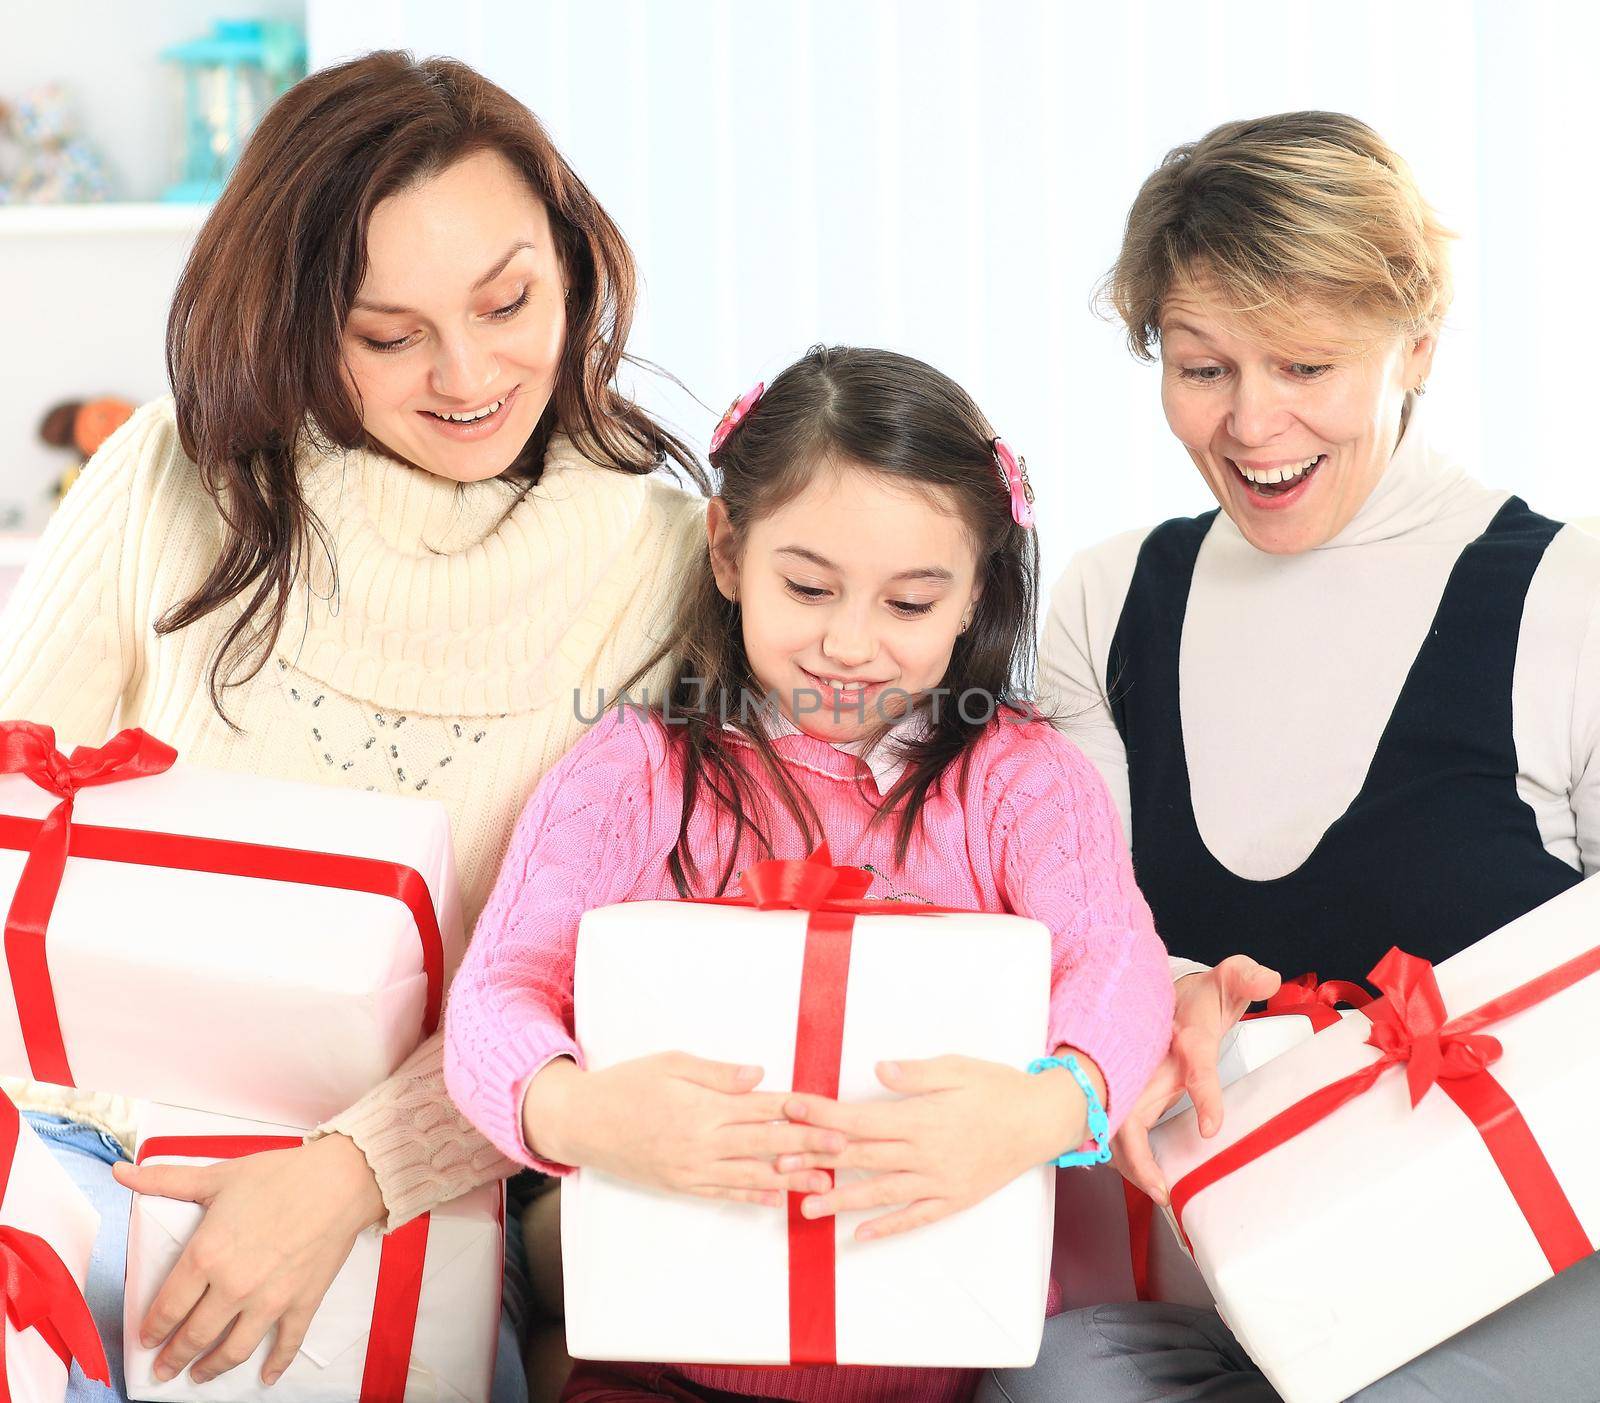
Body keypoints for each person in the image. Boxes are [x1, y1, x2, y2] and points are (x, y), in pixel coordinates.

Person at [0, 51, 708, 1401]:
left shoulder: (667, 561)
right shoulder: (169, 472)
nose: (468, 372)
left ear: (572, 260)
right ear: (297, 323)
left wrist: (351, 1173)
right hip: (72, 1154)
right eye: (390, 335)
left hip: (405, 1210)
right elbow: (11, 827)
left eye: (510, 301)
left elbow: (588, 984)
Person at [987, 111, 1600, 1402]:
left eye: (1307, 365)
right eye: (1203, 368)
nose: (1253, 425)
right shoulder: (1108, 602)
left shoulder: (1573, 595)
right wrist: (1169, 983)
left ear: (1417, 342)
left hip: (1526, 1267)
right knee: (1054, 1383)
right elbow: (1068, 928)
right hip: (1235, 1263)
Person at [443, 344, 1177, 1403]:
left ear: (976, 594)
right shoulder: (635, 766)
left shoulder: (1020, 778)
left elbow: (1119, 961)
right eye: (808, 586)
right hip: (657, 1364)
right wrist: (576, 1112)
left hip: (948, 1357)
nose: (849, 643)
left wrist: (1043, 1112)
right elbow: (496, 990)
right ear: (729, 551)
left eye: (910, 603)